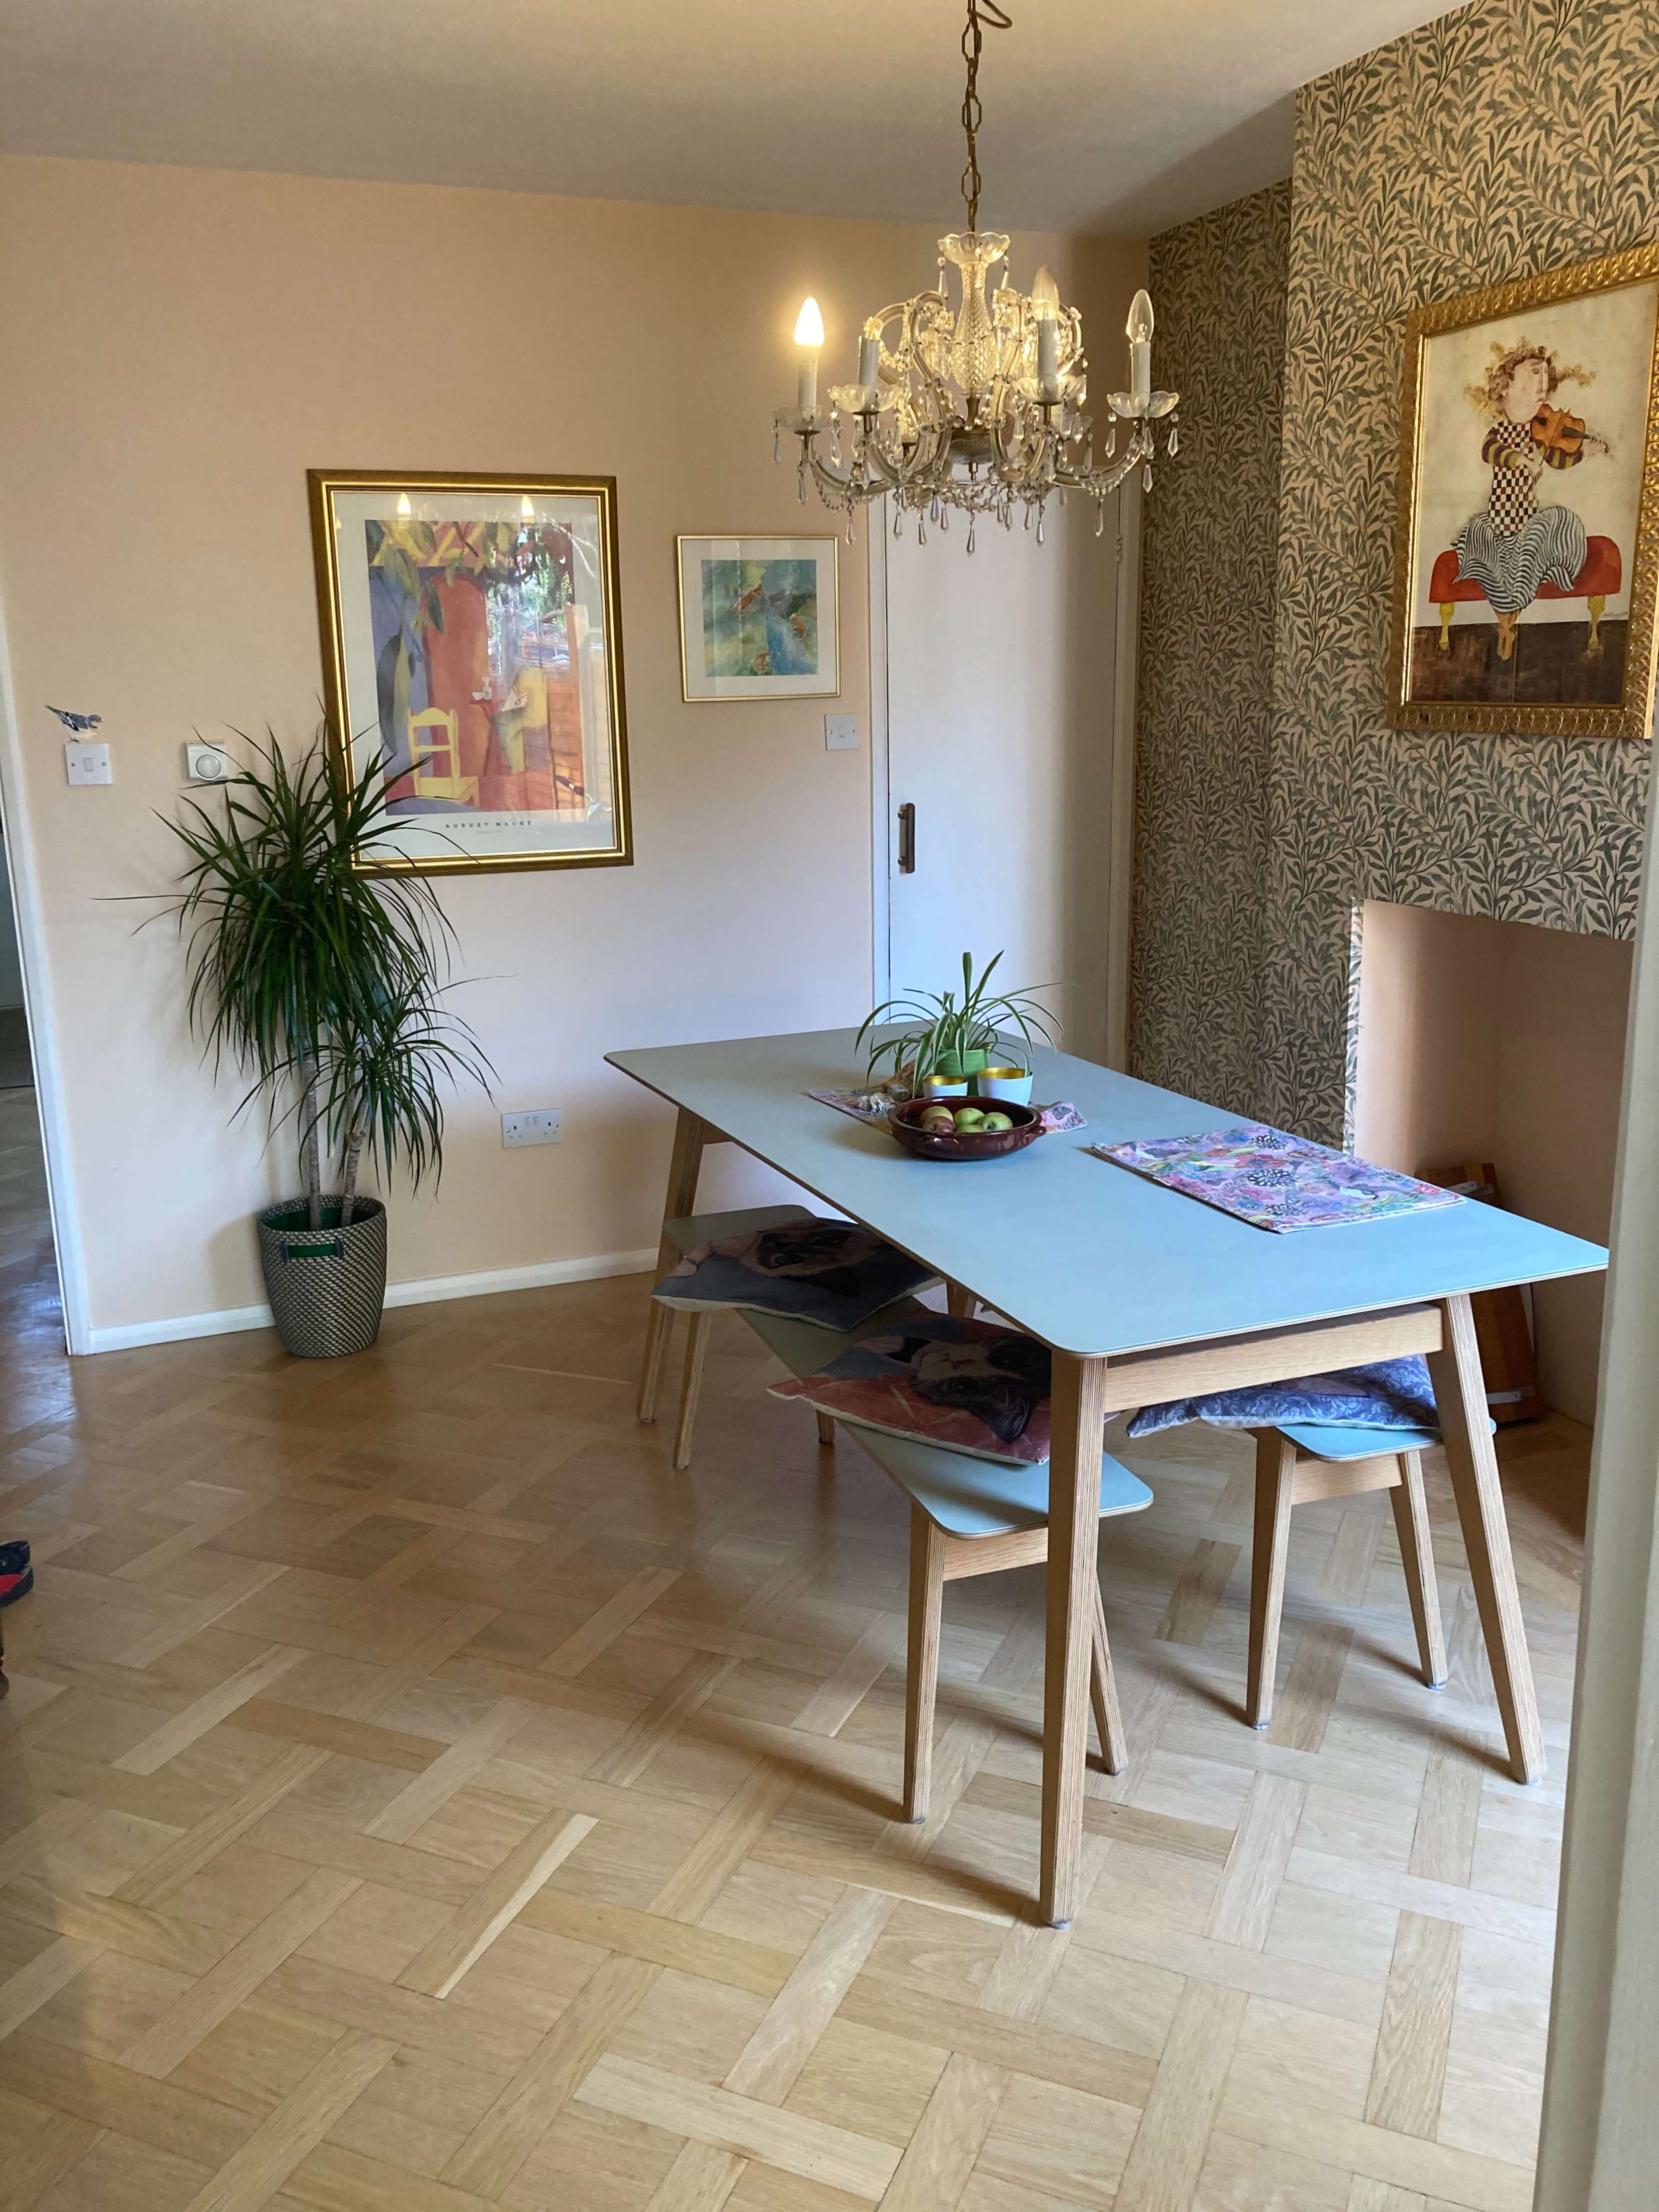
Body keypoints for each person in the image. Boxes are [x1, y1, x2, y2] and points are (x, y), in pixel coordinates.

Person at [1452, 340, 1609, 655]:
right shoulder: (1499, 433)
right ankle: (1505, 624)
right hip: (1499, 519)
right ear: (1505, 386)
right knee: (1483, 549)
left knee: (1553, 534)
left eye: (1545, 377)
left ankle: (1510, 623)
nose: (1542, 385)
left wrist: (1583, 453)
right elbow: (1490, 452)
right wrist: (1519, 460)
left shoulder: (1537, 433)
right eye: (1533, 375)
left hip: (1526, 522)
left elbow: (1557, 460)